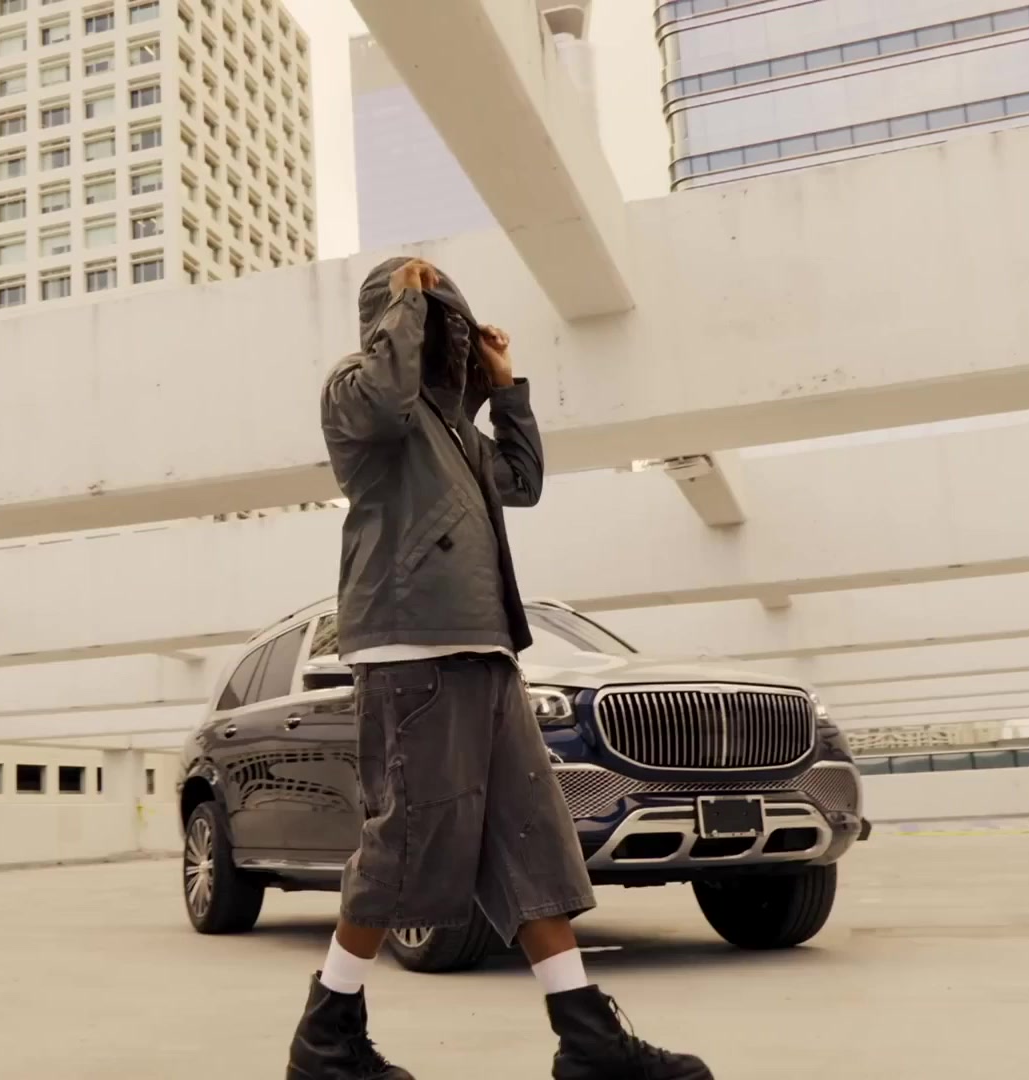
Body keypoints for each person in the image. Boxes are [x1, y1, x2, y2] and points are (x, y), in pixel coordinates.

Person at [285, 256, 712, 1080]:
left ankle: (588, 1041)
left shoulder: (456, 433)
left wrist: (505, 386)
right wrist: (407, 302)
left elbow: (524, 480)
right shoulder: (354, 393)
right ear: (392, 319)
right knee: (405, 843)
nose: (439, 328)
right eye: (424, 311)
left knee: (533, 841)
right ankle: (325, 1038)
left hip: (485, 648)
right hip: (412, 646)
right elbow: (386, 398)